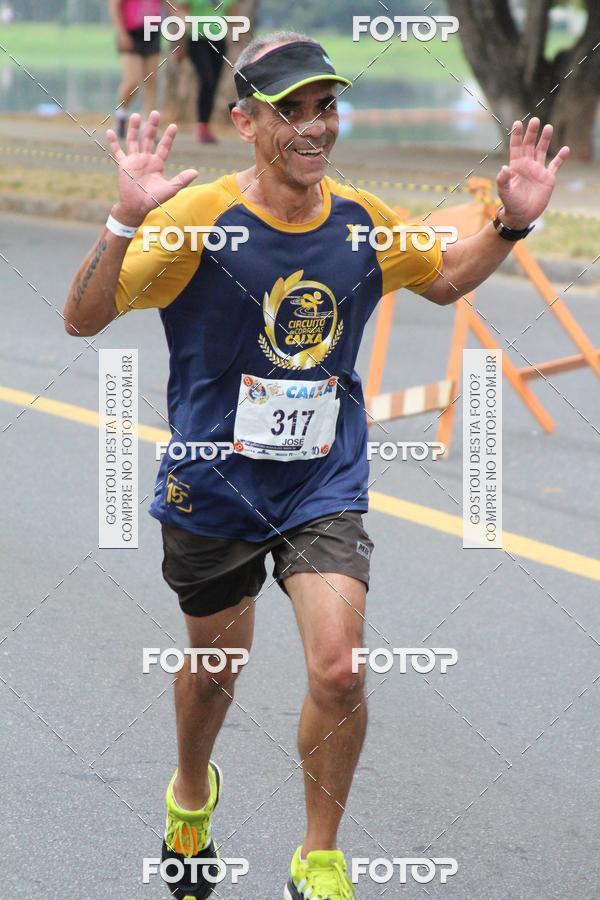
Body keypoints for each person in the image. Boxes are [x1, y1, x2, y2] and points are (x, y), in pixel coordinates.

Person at [63, 31, 569, 900]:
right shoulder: (198, 219)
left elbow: (445, 277)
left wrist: (512, 220)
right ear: (245, 122)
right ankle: (192, 794)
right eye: (290, 111)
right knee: (216, 669)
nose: (313, 127)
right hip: (213, 481)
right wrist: (124, 219)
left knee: (340, 668)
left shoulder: (362, 220)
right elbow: (84, 316)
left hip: (320, 484)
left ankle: (319, 855)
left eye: (325, 107)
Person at [177, 0, 237, 143]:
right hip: (197, 40)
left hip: (219, 40)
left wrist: (237, 41)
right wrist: (180, 44)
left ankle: (204, 126)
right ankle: (200, 126)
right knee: (207, 80)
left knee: (213, 85)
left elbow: (231, 17)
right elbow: (182, 15)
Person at [109, 0, 163, 138]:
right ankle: (121, 113)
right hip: (131, 32)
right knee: (133, 82)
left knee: (151, 81)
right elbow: (114, 6)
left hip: (152, 30)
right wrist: (121, 33)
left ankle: (148, 126)